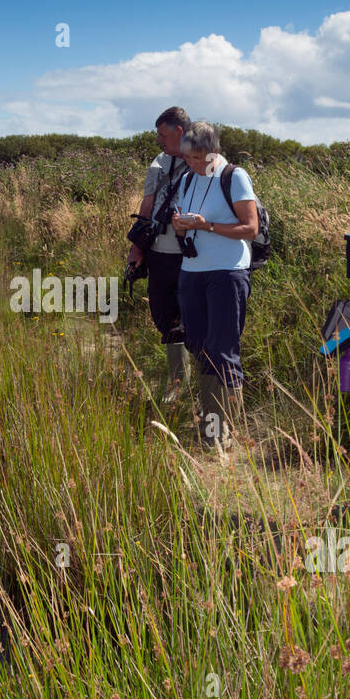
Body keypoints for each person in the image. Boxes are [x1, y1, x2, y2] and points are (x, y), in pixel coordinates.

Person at [170, 121, 259, 449]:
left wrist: (207, 226)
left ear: (213, 151)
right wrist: (180, 226)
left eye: (196, 157)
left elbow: (250, 228)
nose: (190, 163)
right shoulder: (187, 178)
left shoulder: (234, 176)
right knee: (199, 346)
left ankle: (220, 434)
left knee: (222, 350)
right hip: (191, 270)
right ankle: (212, 425)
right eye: (187, 157)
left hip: (227, 272)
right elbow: (182, 223)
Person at [126, 106, 192, 401]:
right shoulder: (159, 163)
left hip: (191, 257)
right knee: (166, 320)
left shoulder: (204, 162)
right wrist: (136, 249)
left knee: (194, 320)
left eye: (163, 135)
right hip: (159, 254)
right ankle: (177, 385)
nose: (159, 141)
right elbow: (147, 206)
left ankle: (205, 386)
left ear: (179, 132)